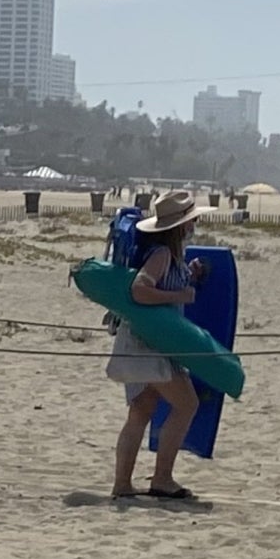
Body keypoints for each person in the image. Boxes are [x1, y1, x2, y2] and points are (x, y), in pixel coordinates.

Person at [108, 191, 209, 501]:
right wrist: (179, 296)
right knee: (187, 403)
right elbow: (141, 290)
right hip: (151, 346)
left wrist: (189, 276)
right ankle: (162, 478)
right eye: (192, 220)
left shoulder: (169, 255)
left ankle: (123, 484)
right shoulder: (161, 255)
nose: (196, 223)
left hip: (143, 341)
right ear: (181, 225)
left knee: (141, 410)